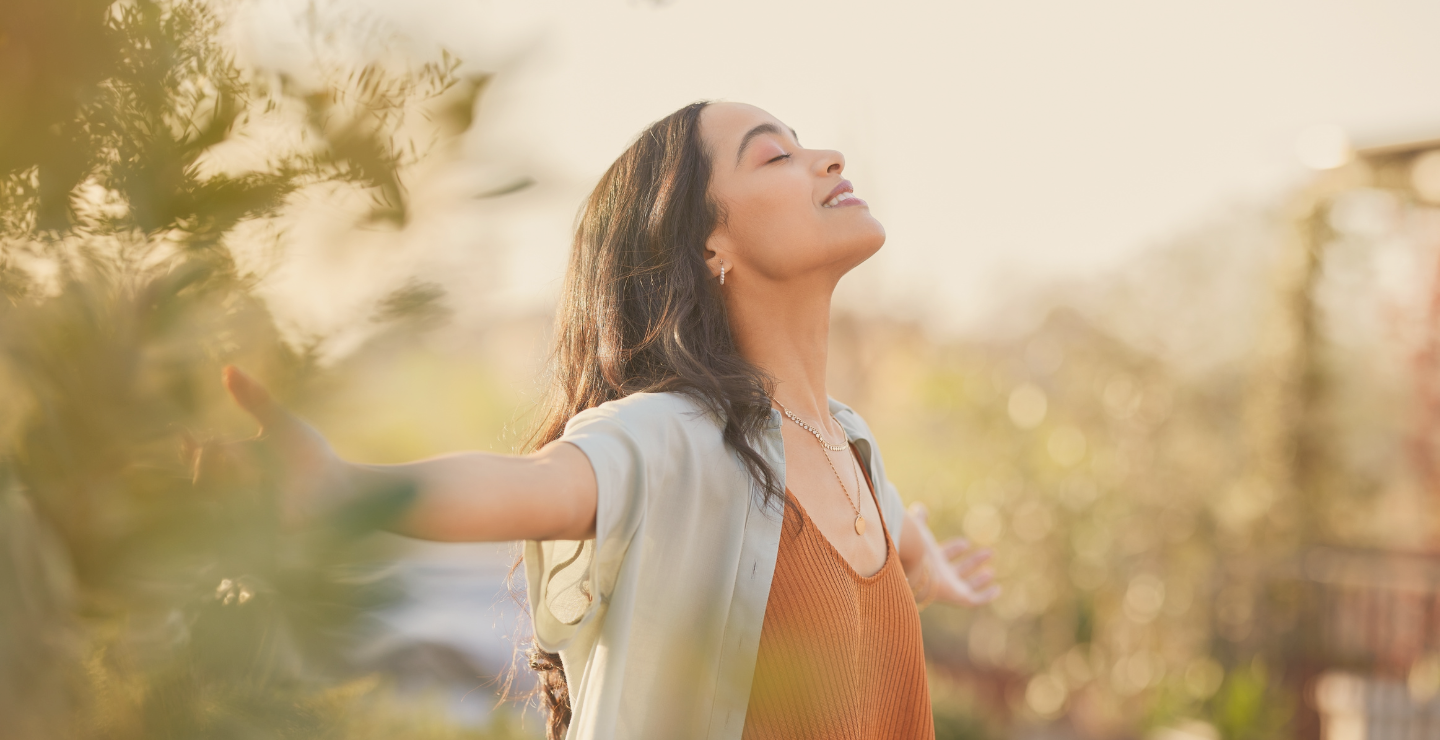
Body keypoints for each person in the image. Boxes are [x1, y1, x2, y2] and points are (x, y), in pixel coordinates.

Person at [222, 101, 999, 740]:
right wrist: (341, 490)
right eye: (775, 157)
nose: (827, 157)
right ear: (708, 244)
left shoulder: (851, 446)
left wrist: (922, 562)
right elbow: (533, 484)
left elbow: (888, 528)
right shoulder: (675, 437)